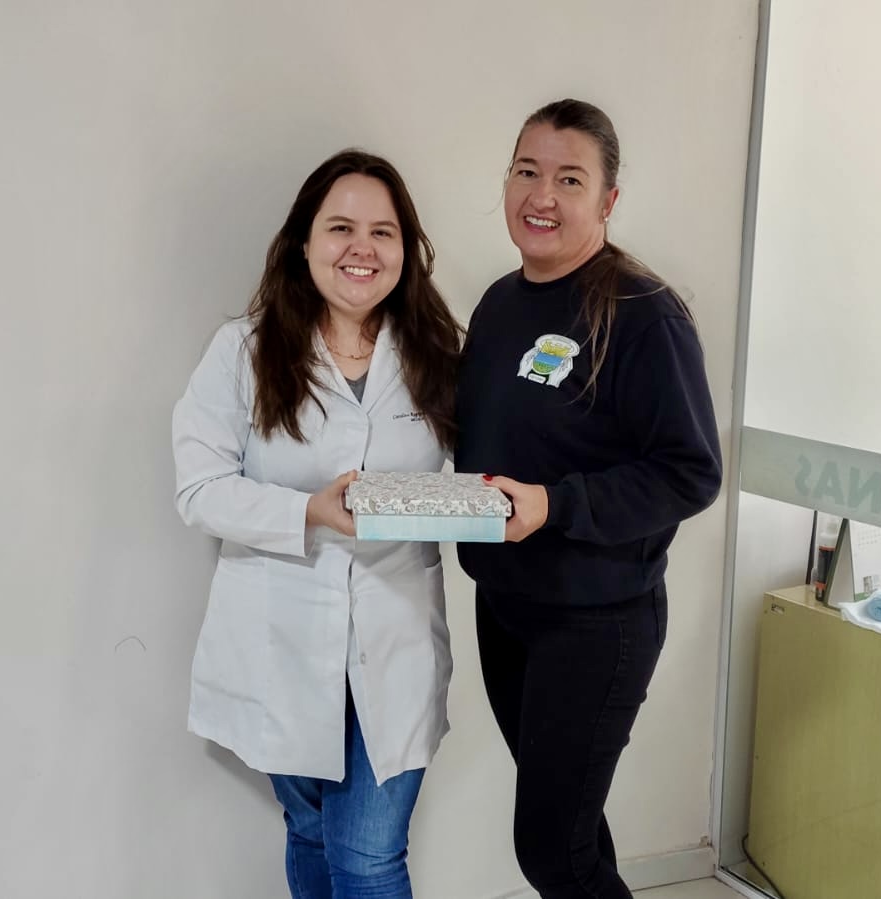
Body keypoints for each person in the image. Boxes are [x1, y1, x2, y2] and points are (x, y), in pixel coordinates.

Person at [172, 149, 463, 898]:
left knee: (367, 857)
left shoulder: (439, 353)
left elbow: (486, 469)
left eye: (382, 232)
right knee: (308, 830)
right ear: (304, 242)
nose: (362, 248)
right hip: (280, 640)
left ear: (407, 249)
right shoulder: (243, 351)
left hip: (394, 638)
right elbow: (200, 489)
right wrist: (308, 509)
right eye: (340, 228)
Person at [454, 99, 724, 898]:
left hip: (595, 621)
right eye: (526, 171)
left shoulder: (643, 315)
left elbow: (689, 470)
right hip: (505, 606)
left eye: (569, 179)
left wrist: (556, 505)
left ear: (607, 200)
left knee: (550, 850)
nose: (541, 195)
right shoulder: (499, 304)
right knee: (568, 833)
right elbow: (486, 429)